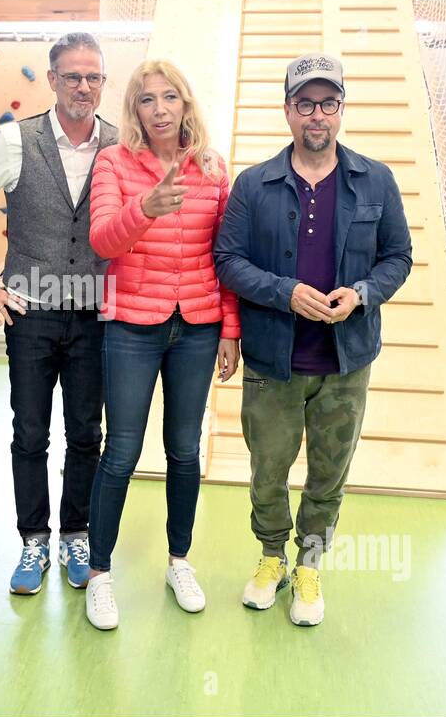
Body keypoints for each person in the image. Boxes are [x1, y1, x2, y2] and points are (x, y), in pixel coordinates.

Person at [213, 53, 412, 627]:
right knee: (267, 471)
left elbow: (398, 256)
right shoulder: (254, 184)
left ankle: (310, 565)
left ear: (342, 111)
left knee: (329, 474)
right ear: (288, 112)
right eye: (306, 104)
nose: (317, 115)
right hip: (274, 360)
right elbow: (227, 260)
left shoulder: (377, 179)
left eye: (328, 103)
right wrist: (284, 291)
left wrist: (364, 293)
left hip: (346, 361)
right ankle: (272, 557)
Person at [83, 59, 240, 631]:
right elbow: (102, 240)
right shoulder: (113, 163)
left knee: (184, 450)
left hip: (195, 327)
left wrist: (229, 328)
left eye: (170, 97)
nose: (159, 109)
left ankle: (179, 560)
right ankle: (99, 575)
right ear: (134, 110)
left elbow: (225, 258)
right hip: (130, 326)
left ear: (186, 104)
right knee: (121, 451)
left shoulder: (213, 169)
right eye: (147, 100)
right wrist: (145, 207)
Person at [0, 33, 119, 596]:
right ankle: (33, 539)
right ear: (52, 79)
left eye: (94, 77)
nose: (84, 86)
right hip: (28, 312)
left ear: (104, 82)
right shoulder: (15, 140)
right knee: (30, 432)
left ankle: (74, 532)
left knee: (86, 433)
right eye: (73, 76)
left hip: (96, 315)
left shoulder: (122, 145)